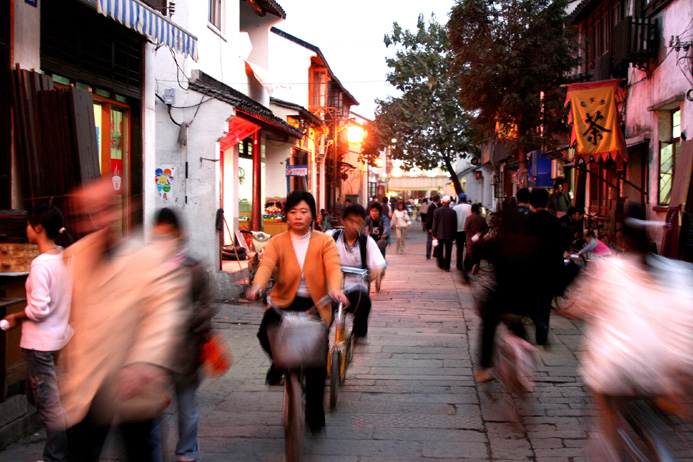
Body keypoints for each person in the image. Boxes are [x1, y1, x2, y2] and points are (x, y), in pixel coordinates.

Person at [60, 177, 189, 462]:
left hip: (135, 383)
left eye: (104, 209)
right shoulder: (72, 259)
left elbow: (163, 314)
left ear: (120, 210)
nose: (97, 221)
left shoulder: (147, 259)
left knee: (140, 451)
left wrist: (146, 360)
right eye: (86, 214)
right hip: (87, 386)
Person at [570, 205, 693, 457]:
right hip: (658, 372)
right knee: (655, 427)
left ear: (621, 237)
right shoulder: (676, 271)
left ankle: (612, 450)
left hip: (613, 370)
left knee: (608, 427)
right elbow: (686, 321)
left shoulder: (608, 269)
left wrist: (571, 308)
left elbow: (580, 304)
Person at [248, 191, 347, 434]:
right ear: (287, 215)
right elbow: (267, 265)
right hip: (284, 302)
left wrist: (335, 289)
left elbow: (333, 267)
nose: (298, 216)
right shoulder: (277, 242)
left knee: (316, 361)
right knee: (264, 332)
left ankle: (314, 413)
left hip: (316, 304)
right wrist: (258, 285)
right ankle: (279, 365)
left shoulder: (324, 241)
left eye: (304, 211)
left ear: (313, 215)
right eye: (292, 212)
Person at [2, 205, 73, 462]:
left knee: (48, 402)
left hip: (40, 342)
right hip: (56, 338)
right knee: (47, 398)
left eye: (29, 224)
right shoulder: (64, 256)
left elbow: (39, 309)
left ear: (38, 228)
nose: (26, 229)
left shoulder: (41, 264)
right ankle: (61, 449)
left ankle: (56, 455)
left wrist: (16, 317)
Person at [152, 208, 215, 462]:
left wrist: (190, 317)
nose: (163, 242)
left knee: (187, 408)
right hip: (155, 351)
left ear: (180, 235)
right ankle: (152, 452)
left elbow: (208, 305)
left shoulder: (194, 267)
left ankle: (187, 452)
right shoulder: (148, 267)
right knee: (150, 409)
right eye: (158, 236)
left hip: (186, 350)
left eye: (168, 236)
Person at [326, 205, 386, 340]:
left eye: (358, 222)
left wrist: (378, 270)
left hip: (356, 287)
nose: (354, 226)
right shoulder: (331, 237)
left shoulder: (366, 242)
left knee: (364, 302)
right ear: (343, 221)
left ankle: (358, 335)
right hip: (333, 288)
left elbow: (379, 262)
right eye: (350, 221)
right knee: (323, 312)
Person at [527, 188, 571, 345]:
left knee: (530, 301)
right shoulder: (558, 223)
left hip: (532, 269)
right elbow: (567, 244)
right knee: (546, 303)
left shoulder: (527, 222)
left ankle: (540, 324)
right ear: (547, 203)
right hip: (553, 269)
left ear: (531, 203)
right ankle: (542, 333)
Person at [431, 196, 457, 271]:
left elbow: (434, 223)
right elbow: (454, 224)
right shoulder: (453, 212)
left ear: (443, 202)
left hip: (439, 233)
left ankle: (441, 264)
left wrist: (433, 234)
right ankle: (447, 266)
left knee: (440, 250)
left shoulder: (437, 211)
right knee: (448, 251)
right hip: (449, 234)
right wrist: (454, 235)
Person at [464, 203, 489, 276]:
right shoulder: (482, 219)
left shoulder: (469, 218)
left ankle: (472, 266)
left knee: (471, 253)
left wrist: (472, 235)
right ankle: (476, 268)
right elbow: (486, 229)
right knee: (478, 254)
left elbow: (466, 229)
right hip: (479, 240)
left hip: (470, 240)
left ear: (471, 211)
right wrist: (480, 234)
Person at [453, 193, 472, 272]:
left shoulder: (455, 207)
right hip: (468, 230)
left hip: (458, 230)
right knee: (468, 247)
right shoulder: (470, 207)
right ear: (466, 199)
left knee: (459, 248)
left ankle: (459, 264)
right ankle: (467, 263)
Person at [424, 194, 441, 259]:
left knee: (434, 240)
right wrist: (429, 228)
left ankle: (434, 253)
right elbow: (429, 218)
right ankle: (428, 254)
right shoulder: (432, 207)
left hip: (434, 226)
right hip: (431, 227)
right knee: (430, 241)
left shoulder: (436, 206)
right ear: (438, 199)